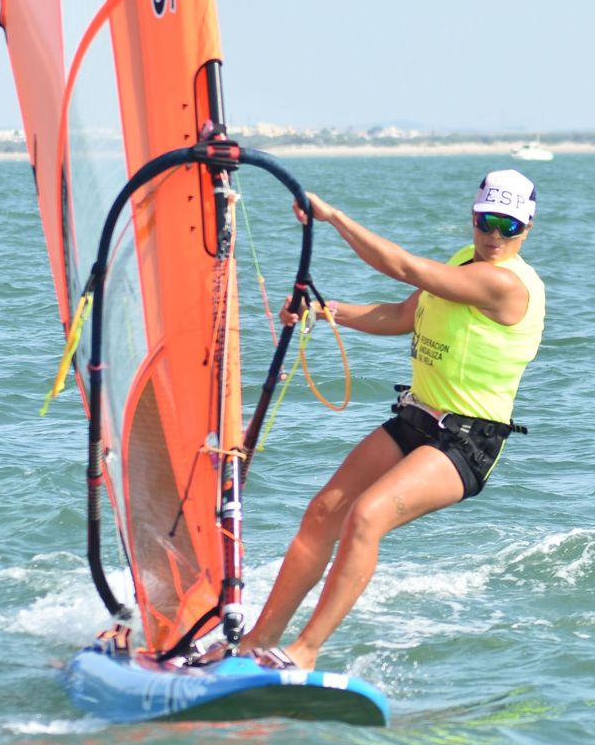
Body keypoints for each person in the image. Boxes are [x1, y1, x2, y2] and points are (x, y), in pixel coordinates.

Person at [224, 169, 546, 671]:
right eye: (487, 221)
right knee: (322, 514)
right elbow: (400, 315)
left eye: (509, 226)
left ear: (527, 228)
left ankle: (303, 653)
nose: (495, 236)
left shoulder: (504, 283)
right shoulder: (465, 261)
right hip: (417, 418)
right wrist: (323, 310)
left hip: (466, 442)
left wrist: (331, 217)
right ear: (474, 217)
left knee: (366, 516)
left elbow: (402, 267)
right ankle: (250, 647)